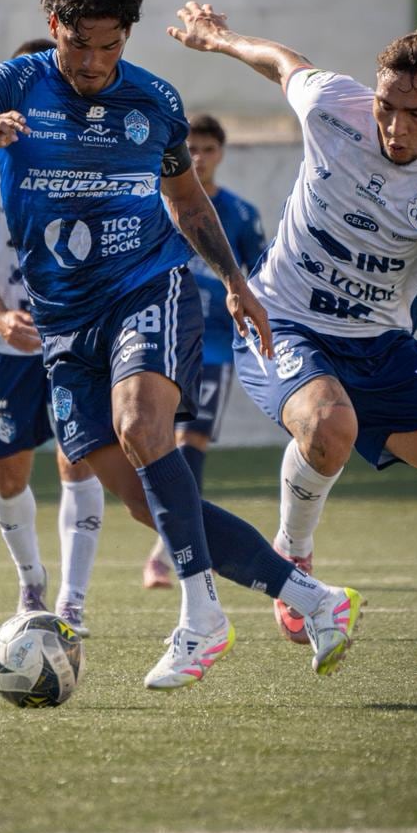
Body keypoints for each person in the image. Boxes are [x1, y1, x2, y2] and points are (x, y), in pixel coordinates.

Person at [0, 0, 363, 690]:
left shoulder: (155, 101)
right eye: (79, 45)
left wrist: (234, 283)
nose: (95, 63)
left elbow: (189, 205)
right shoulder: (9, 85)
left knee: (141, 426)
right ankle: (313, 598)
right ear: (53, 29)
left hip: (146, 289)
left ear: (127, 36)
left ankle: (202, 619)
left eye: (110, 46)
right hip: (62, 323)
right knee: (142, 497)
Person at [168, 1, 417, 701]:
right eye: (388, 105)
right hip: (281, 318)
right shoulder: (334, 105)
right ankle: (292, 554)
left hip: (380, 341)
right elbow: (283, 62)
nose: (395, 125)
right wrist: (219, 39)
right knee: (329, 427)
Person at [0, 38, 104, 637]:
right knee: (7, 475)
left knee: (80, 463)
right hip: (8, 346)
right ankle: (31, 582)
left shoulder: (96, 149)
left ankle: (71, 601)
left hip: (77, 340)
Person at [143, 112, 266, 589]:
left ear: (221, 153)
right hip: (162, 334)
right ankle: (175, 539)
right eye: (190, 149)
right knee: (154, 443)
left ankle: (166, 549)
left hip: (213, 344)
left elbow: (259, 275)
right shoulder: (157, 204)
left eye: (208, 150)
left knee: (190, 442)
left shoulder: (238, 213)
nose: (198, 158)